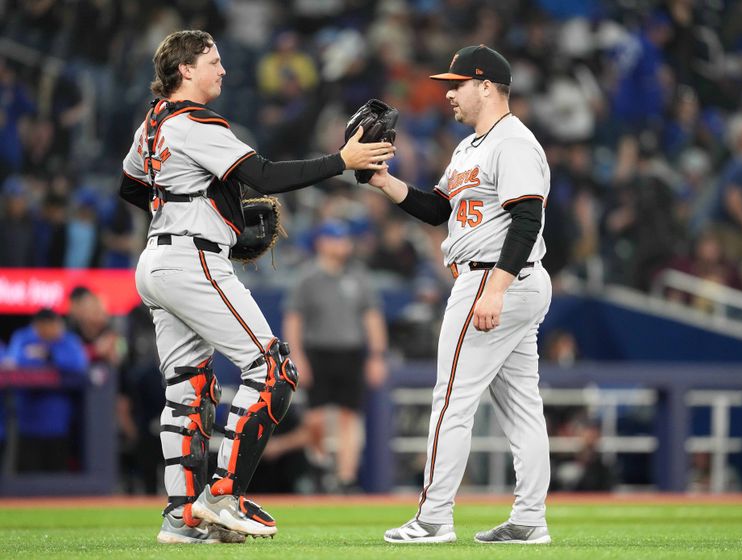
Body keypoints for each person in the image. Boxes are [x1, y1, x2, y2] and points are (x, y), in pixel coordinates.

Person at [119, 30, 394, 545]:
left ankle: (181, 519)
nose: (222, 70)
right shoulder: (195, 121)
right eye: (213, 61)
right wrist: (342, 161)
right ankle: (222, 494)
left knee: (187, 391)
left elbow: (131, 184)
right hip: (191, 259)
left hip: (158, 257)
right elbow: (263, 176)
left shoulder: (151, 125)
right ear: (185, 70)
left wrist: (200, 212)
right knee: (273, 368)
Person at [368, 45, 553, 545]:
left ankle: (433, 518)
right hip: (502, 278)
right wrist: (385, 182)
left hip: (496, 277)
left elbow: (526, 219)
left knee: (451, 398)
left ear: (487, 86)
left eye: (458, 84)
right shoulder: (471, 147)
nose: (448, 93)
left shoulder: (512, 142)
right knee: (521, 406)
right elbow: (436, 210)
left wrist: (495, 289)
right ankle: (530, 519)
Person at [282, 220, 388, 493]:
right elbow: (294, 319)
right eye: (336, 239)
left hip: (350, 352)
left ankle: (346, 478)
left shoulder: (358, 276)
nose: (343, 245)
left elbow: (372, 316)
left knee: (349, 417)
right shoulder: (307, 277)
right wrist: (298, 358)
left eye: (345, 240)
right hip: (318, 351)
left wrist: (377, 355)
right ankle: (319, 466)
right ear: (322, 243)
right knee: (315, 419)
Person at [5, 308, 88, 472]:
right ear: (38, 326)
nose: (55, 329)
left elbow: (79, 363)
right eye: (50, 326)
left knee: (57, 476)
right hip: (28, 423)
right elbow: (13, 364)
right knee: (29, 477)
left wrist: (50, 355)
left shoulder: (67, 340)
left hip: (59, 424)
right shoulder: (23, 338)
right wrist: (47, 366)